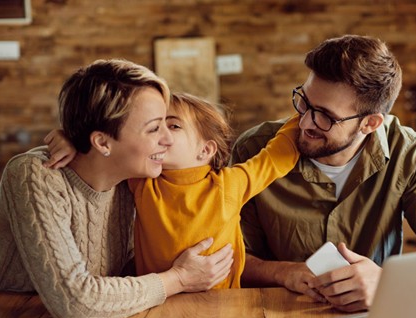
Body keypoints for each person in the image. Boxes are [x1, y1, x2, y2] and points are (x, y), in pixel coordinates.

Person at [0, 59, 234, 318]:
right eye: (155, 128)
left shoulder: (133, 179)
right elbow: (75, 304)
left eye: (169, 125)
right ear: (102, 142)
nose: (167, 140)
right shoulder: (34, 175)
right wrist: (178, 279)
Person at [231, 34, 416, 312]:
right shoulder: (254, 148)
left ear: (370, 123)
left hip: (374, 316)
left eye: (325, 115)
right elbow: (230, 256)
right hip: (273, 314)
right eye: (304, 102)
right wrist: (282, 272)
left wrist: (387, 281)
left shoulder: (408, 151)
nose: (304, 122)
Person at [46, 92, 300, 289]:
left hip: (223, 302)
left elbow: (276, 156)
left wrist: (306, 113)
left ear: (206, 150)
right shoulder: (143, 180)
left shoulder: (230, 184)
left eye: (174, 126)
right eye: (155, 127)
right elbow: (105, 151)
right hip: (156, 299)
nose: (161, 135)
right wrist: (69, 138)